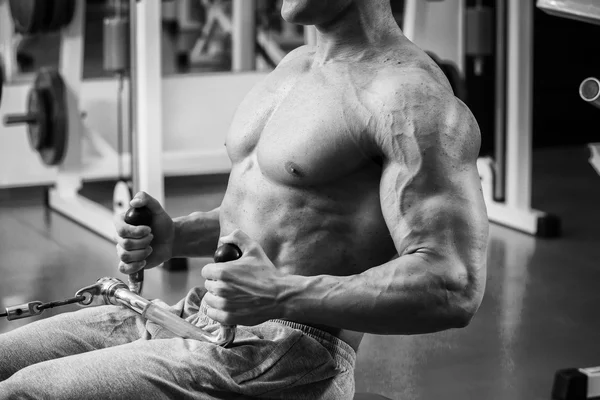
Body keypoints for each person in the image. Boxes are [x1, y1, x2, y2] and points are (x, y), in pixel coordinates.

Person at [0, 0, 489, 398]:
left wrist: (279, 293)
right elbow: (283, 217)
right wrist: (175, 235)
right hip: (194, 317)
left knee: (27, 392)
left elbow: (452, 282)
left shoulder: (409, 99)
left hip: (288, 354)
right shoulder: (295, 67)